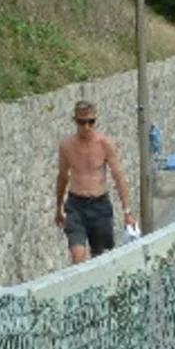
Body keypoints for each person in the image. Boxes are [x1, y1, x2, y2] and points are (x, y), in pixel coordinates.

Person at [55, 100, 136, 264]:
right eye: (82, 122)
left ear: (95, 120)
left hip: (99, 206)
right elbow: (62, 177)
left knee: (101, 258)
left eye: (90, 122)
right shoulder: (67, 146)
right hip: (76, 205)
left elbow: (118, 176)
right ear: (74, 120)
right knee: (78, 255)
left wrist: (127, 212)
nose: (86, 127)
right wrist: (59, 208)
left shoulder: (105, 144)